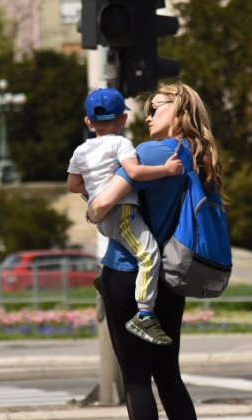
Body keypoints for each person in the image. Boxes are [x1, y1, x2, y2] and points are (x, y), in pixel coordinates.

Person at [87, 83, 220, 420]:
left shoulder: (147, 154)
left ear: (179, 111)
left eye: (156, 107)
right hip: (170, 280)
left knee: (136, 379)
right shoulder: (199, 157)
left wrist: (92, 206)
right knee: (169, 375)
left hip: (128, 275)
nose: (148, 116)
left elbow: (101, 205)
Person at [67, 87, 183, 346]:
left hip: (105, 218)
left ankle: (105, 281)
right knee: (149, 254)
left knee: (129, 248)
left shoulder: (80, 151)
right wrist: (166, 170)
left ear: (88, 121)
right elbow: (135, 173)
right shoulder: (121, 143)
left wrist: (95, 191)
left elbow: (73, 185)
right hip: (122, 212)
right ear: (123, 119)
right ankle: (145, 315)